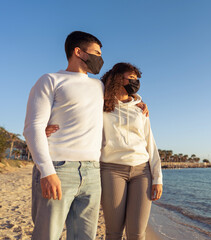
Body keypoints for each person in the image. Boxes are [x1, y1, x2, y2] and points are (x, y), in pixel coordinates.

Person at [24, 31, 147, 240]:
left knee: (85, 237)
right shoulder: (51, 80)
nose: (100, 58)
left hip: (92, 171)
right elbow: (33, 126)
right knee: (47, 235)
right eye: (96, 53)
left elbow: (121, 95)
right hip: (58, 167)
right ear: (78, 52)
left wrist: (138, 101)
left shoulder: (99, 86)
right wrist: (46, 171)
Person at [100, 62, 163, 240]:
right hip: (112, 170)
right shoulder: (102, 106)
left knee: (136, 233)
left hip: (142, 172)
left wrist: (157, 178)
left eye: (137, 79)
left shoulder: (140, 109)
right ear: (118, 78)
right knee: (113, 232)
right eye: (132, 78)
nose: (135, 82)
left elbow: (150, 143)